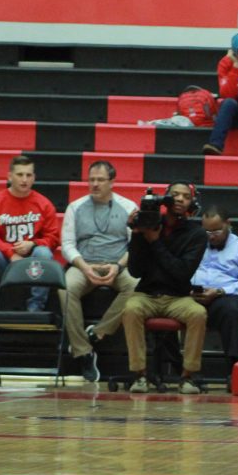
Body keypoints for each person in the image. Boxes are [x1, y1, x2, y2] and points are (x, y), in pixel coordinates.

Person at [122, 181, 208, 394]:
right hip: (147, 294)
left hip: (178, 297)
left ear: (192, 203)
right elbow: (135, 271)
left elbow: (181, 272)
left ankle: (188, 377)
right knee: (131, 309)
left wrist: (155, 242)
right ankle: (140, 375)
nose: (179, 199)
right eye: (175, 195)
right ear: (164, 199)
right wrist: (136, 235)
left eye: (185, 196)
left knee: (198, 313)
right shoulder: (148, 223)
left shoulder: (196, 234)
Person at [59, 160, 139, 382]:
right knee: (65, 289)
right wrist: (84, 266)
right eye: (91, 179)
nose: (95, 184)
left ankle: (99, 331)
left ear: (112, 182)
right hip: (85, 264)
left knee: (136, 286)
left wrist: (118, 266)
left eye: (100, 180)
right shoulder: (75, 207)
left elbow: (136, 245)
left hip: (117, 263)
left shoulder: (129, 207)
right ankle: (84, 352)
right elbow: (66, 244)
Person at [0, 155, 60, 313]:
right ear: (9, 176)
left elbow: (53, 238)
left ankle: (35, 309)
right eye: (20, 174)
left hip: (33, 263)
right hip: (5, 262)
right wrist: (10, 253)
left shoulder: (44, 204)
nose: (24, 179)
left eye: (28, 175)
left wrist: (33, 244)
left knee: (43, 252)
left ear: (34, 178)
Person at [190, 206, 238, 368]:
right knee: (169, 303)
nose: (211, 237)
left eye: (216, 231)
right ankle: (176, 369)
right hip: (193, 296)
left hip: (225, 297)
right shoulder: (195, 243)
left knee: (230, 310)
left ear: (228, 224)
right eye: (207, 232)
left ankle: (234, 368)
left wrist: (220, 291)